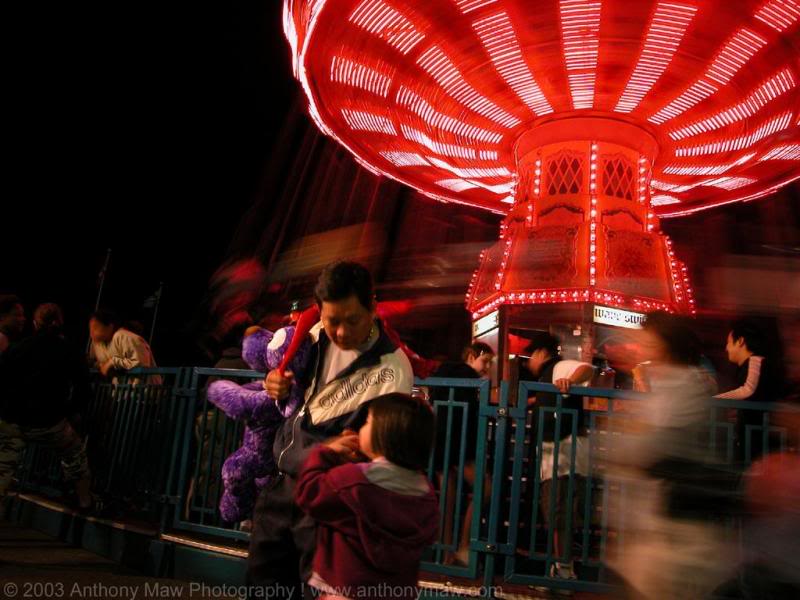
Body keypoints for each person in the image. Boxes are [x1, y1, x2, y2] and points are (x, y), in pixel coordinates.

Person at [247, 261, 413, 599]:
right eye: (331, 320)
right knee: (263, 588)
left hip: (332, 502)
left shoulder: (393, 368)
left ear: (373, 307)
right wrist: (274, 383)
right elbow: (286, 385)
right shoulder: (311, 335)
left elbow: (386, 451)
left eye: (351, 320)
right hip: (284, 485)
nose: (339, 332)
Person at [606, 312, 734, 599]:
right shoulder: (664, 383)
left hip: (675, 525)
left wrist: (631, 434)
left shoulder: (684, 384)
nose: (639, 344)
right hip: (658, 522)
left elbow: (654, 444)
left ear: (665, 343)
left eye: (646, 339)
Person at [296, 393, 439, 600]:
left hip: (346, 590)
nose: (361, 427)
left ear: (384, 433)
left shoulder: (354, 481)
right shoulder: (426, 492)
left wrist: (326, 452)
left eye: (368, 422)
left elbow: (309, 492)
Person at [0, 303, 92, 510]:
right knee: (75, 455)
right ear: (59, 322)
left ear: (35, 323)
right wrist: (73, 411)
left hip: (13, 419)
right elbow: (83, 386)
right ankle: (85, 500)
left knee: (3, 467)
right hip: (49, 420)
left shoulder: (18, 348)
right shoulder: (69, 350)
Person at [525, 333, 594, 583]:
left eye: (531, 355)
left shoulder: (558, 366)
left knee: (558, 512)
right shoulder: (548, 375)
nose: (529, 361)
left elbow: (587, 368)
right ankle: (562, 569)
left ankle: (564, 573)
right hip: (561, 453)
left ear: (542, 353)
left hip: (562, 453)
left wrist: (569, 380)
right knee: (558, 513)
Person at [429, 341, 494, 566]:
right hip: (460, 445)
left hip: (441, 443)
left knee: (447, 499)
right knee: (485, 489)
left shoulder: (445, 372)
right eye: (485, 361)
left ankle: (446, 552)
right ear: (471, 356)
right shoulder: (468, 378)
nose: (486, 367)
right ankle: (465, 546)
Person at [714, 318, 781, 463]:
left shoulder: (755, 360)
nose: (726, 348)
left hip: (758, 436)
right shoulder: (747, 365)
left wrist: (716, 400)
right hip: (754, 434)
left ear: (741, 341)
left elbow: (748, 390)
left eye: (728, 342)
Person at [88, 309, 161, 384]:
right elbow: (97, 363)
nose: (92, 333)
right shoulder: (97, 344)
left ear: (110, 326)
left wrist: (113, 362)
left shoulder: (123, 336)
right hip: (122, 390)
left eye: (96, 328)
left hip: (145, 389)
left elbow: (141, 363)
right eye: (90, 329)